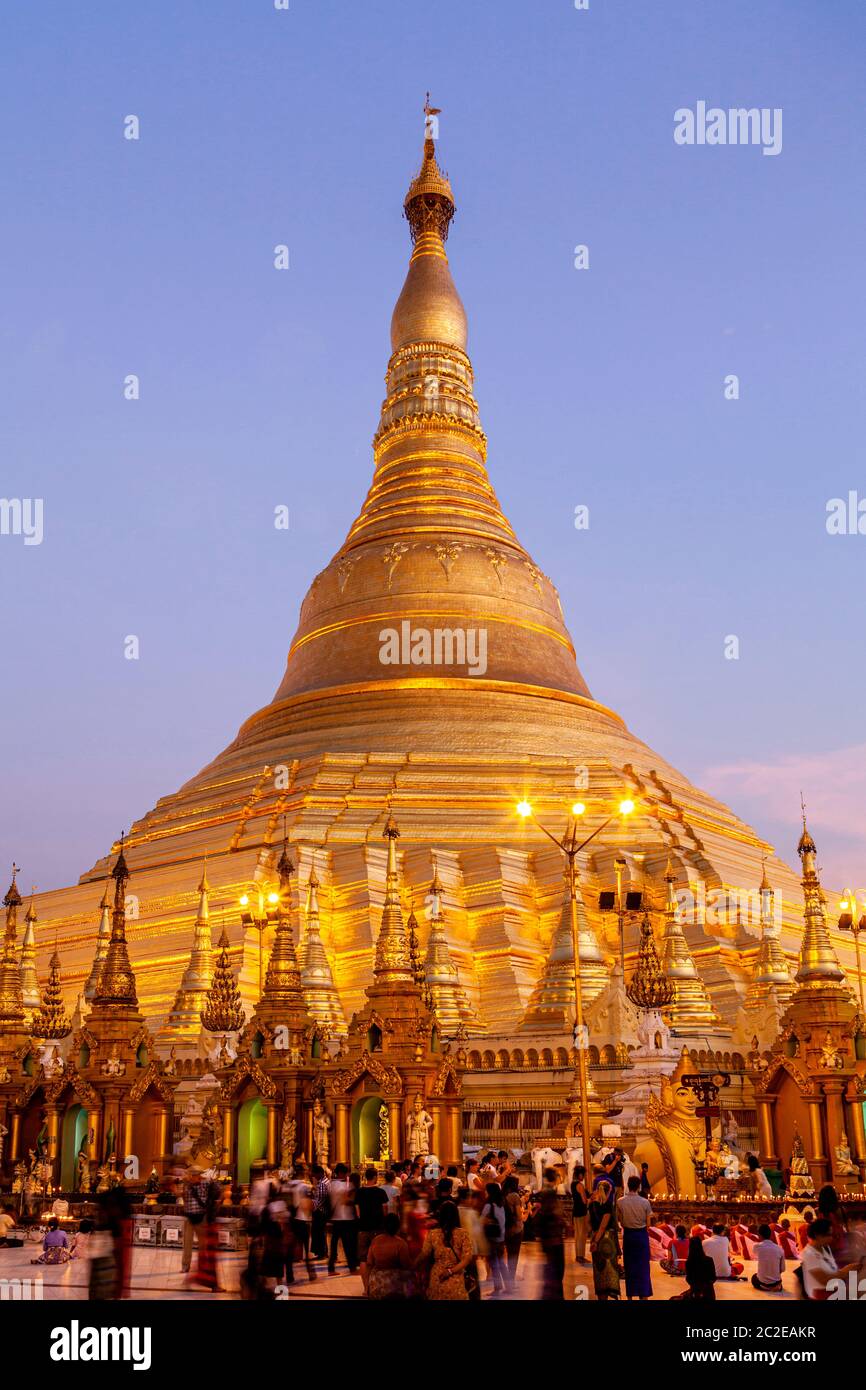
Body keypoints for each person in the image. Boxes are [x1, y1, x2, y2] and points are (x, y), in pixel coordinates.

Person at [418, 1200, 473, 1300]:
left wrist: (412, 1265)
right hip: (456, 1280)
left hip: (437, 1277)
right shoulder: (463, 1234)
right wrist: (450, 1271)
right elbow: (467, 1259)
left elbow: (424, 1254)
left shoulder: (433, 1234)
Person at [800, 1217, 858, 1300]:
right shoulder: (809, 1254)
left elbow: (833, 1270)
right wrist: (846, 1270)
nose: (831, 1238)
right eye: (828, 1235)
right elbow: (824, 1280)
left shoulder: (825, 1248)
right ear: (817, 1235)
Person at [617, 1174, 653, 1300]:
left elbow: (620, 1220)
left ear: (628, 1185)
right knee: (643, 1267)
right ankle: (643, 1295)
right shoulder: (645, 1202)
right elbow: (648, 1224)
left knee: (630, 1266)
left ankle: (630, 1296)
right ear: (639, 1187)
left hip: (629, 1235)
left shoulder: (620, 1201)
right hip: (641, 1235)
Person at [356, 1168, 388, 1292]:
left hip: (363, 1227)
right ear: (375, 1177)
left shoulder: (359, 1192)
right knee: (377, 1257)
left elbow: (357, 1212)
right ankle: (377, 1286)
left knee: (363, 1259)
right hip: (377, 1228)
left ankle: (366, 1288)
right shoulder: (381, 1192)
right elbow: (385, 1211)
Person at [367, 1213, 412, 1299]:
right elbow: (406, 1265)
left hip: (376, 1282)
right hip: (393, 1284)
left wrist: (368, 1287)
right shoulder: (401, 1243)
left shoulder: (376, 1240)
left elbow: (369, 1262)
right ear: (398, 1226)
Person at [589, 1177, 620, 1300]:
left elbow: (589, 1224)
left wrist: (593, 1239)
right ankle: (609, 1292)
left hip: (594, 1236)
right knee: (609, 1269)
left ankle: (601, 1296)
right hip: (606, 1240)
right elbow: (603, 1227)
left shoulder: (592, 1206)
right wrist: (597, 1241)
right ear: (609, 1192)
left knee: (599, 1269)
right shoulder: (607, 1207)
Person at [536, 1186, 567, 1299]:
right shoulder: (551, 1214)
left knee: (552, 1281)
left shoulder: (544, 1213)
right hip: (556, 1249)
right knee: (556, 1280)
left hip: (551, 1250)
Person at [327, 1164, 358, 1275]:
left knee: (334, 1242)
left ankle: (331, 1268)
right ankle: (352, 1267)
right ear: (342, 1173)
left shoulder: (330, 1184)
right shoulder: (347, 1186)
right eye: (346, 1173)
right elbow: (350, 1201)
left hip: (335, 1217)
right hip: (346, 1217)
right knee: (348, 1243)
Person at [481, 1181, 507, 1296]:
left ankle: (497, 1288)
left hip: (492, 1238)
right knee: (501, 1263)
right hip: (501, 1237)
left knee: (494, 1264)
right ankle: (509, 1285)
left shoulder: (489, 1205)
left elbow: (481, 1221)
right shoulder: (501, 1204)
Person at [502, 1174, 525, 1289]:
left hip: (506, 1229)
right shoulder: (515, 1196)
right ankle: (511, 1282)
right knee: (513, 1257)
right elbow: (519, 1216)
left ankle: (507, 1281)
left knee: (508, 1255)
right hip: (516, 1229)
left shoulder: (503, 1195)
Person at [678, 1235, 716, 1300]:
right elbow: (713, 1277)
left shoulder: (689, 1262)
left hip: (695, 1294)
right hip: (709, 1294)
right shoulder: (709, 1260)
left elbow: (689, 1279)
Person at [751, 1223, 785, 1291]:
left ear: (759, 1235)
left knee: (754, 1277)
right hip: (776, 1282)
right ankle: (776, 1286)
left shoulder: (756, 1247)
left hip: (762, 1283)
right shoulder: (780, 1249)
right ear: (770, 1235)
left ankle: (766, 1286)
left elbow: (755, 1254)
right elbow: (782, 1269)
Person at [570, 1164, 589, 1264]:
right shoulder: (580, 1185)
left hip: (575, 1211)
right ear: (580, 1175)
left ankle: (578, 1255)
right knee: (582, 1235)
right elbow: (584, 1201)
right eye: (584, 1174)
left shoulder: (573, 1184)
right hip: (581, 1212)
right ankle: (580, 1256)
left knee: (578, 1235)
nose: (584, 1176)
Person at [310, 1165, 330, 1259]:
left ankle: (321, 1252)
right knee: (321, 1232)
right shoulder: (326, 1181)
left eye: (314, 1173)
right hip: (323, 1211)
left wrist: (312, 1207)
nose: (313, 1175)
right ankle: (323, 1252)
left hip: (320, 1211)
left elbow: (320, 1199)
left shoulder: (322, 1183)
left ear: (319, 1173)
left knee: (318, 1232)